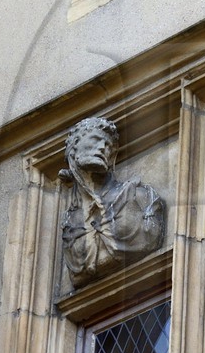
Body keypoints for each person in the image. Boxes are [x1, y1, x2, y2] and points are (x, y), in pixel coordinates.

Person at [59, 116, 165, 286]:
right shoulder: (70, 222)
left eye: (108, 147)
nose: (103, 148)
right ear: (74, 149)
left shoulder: (139, 197)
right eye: (95, 140)